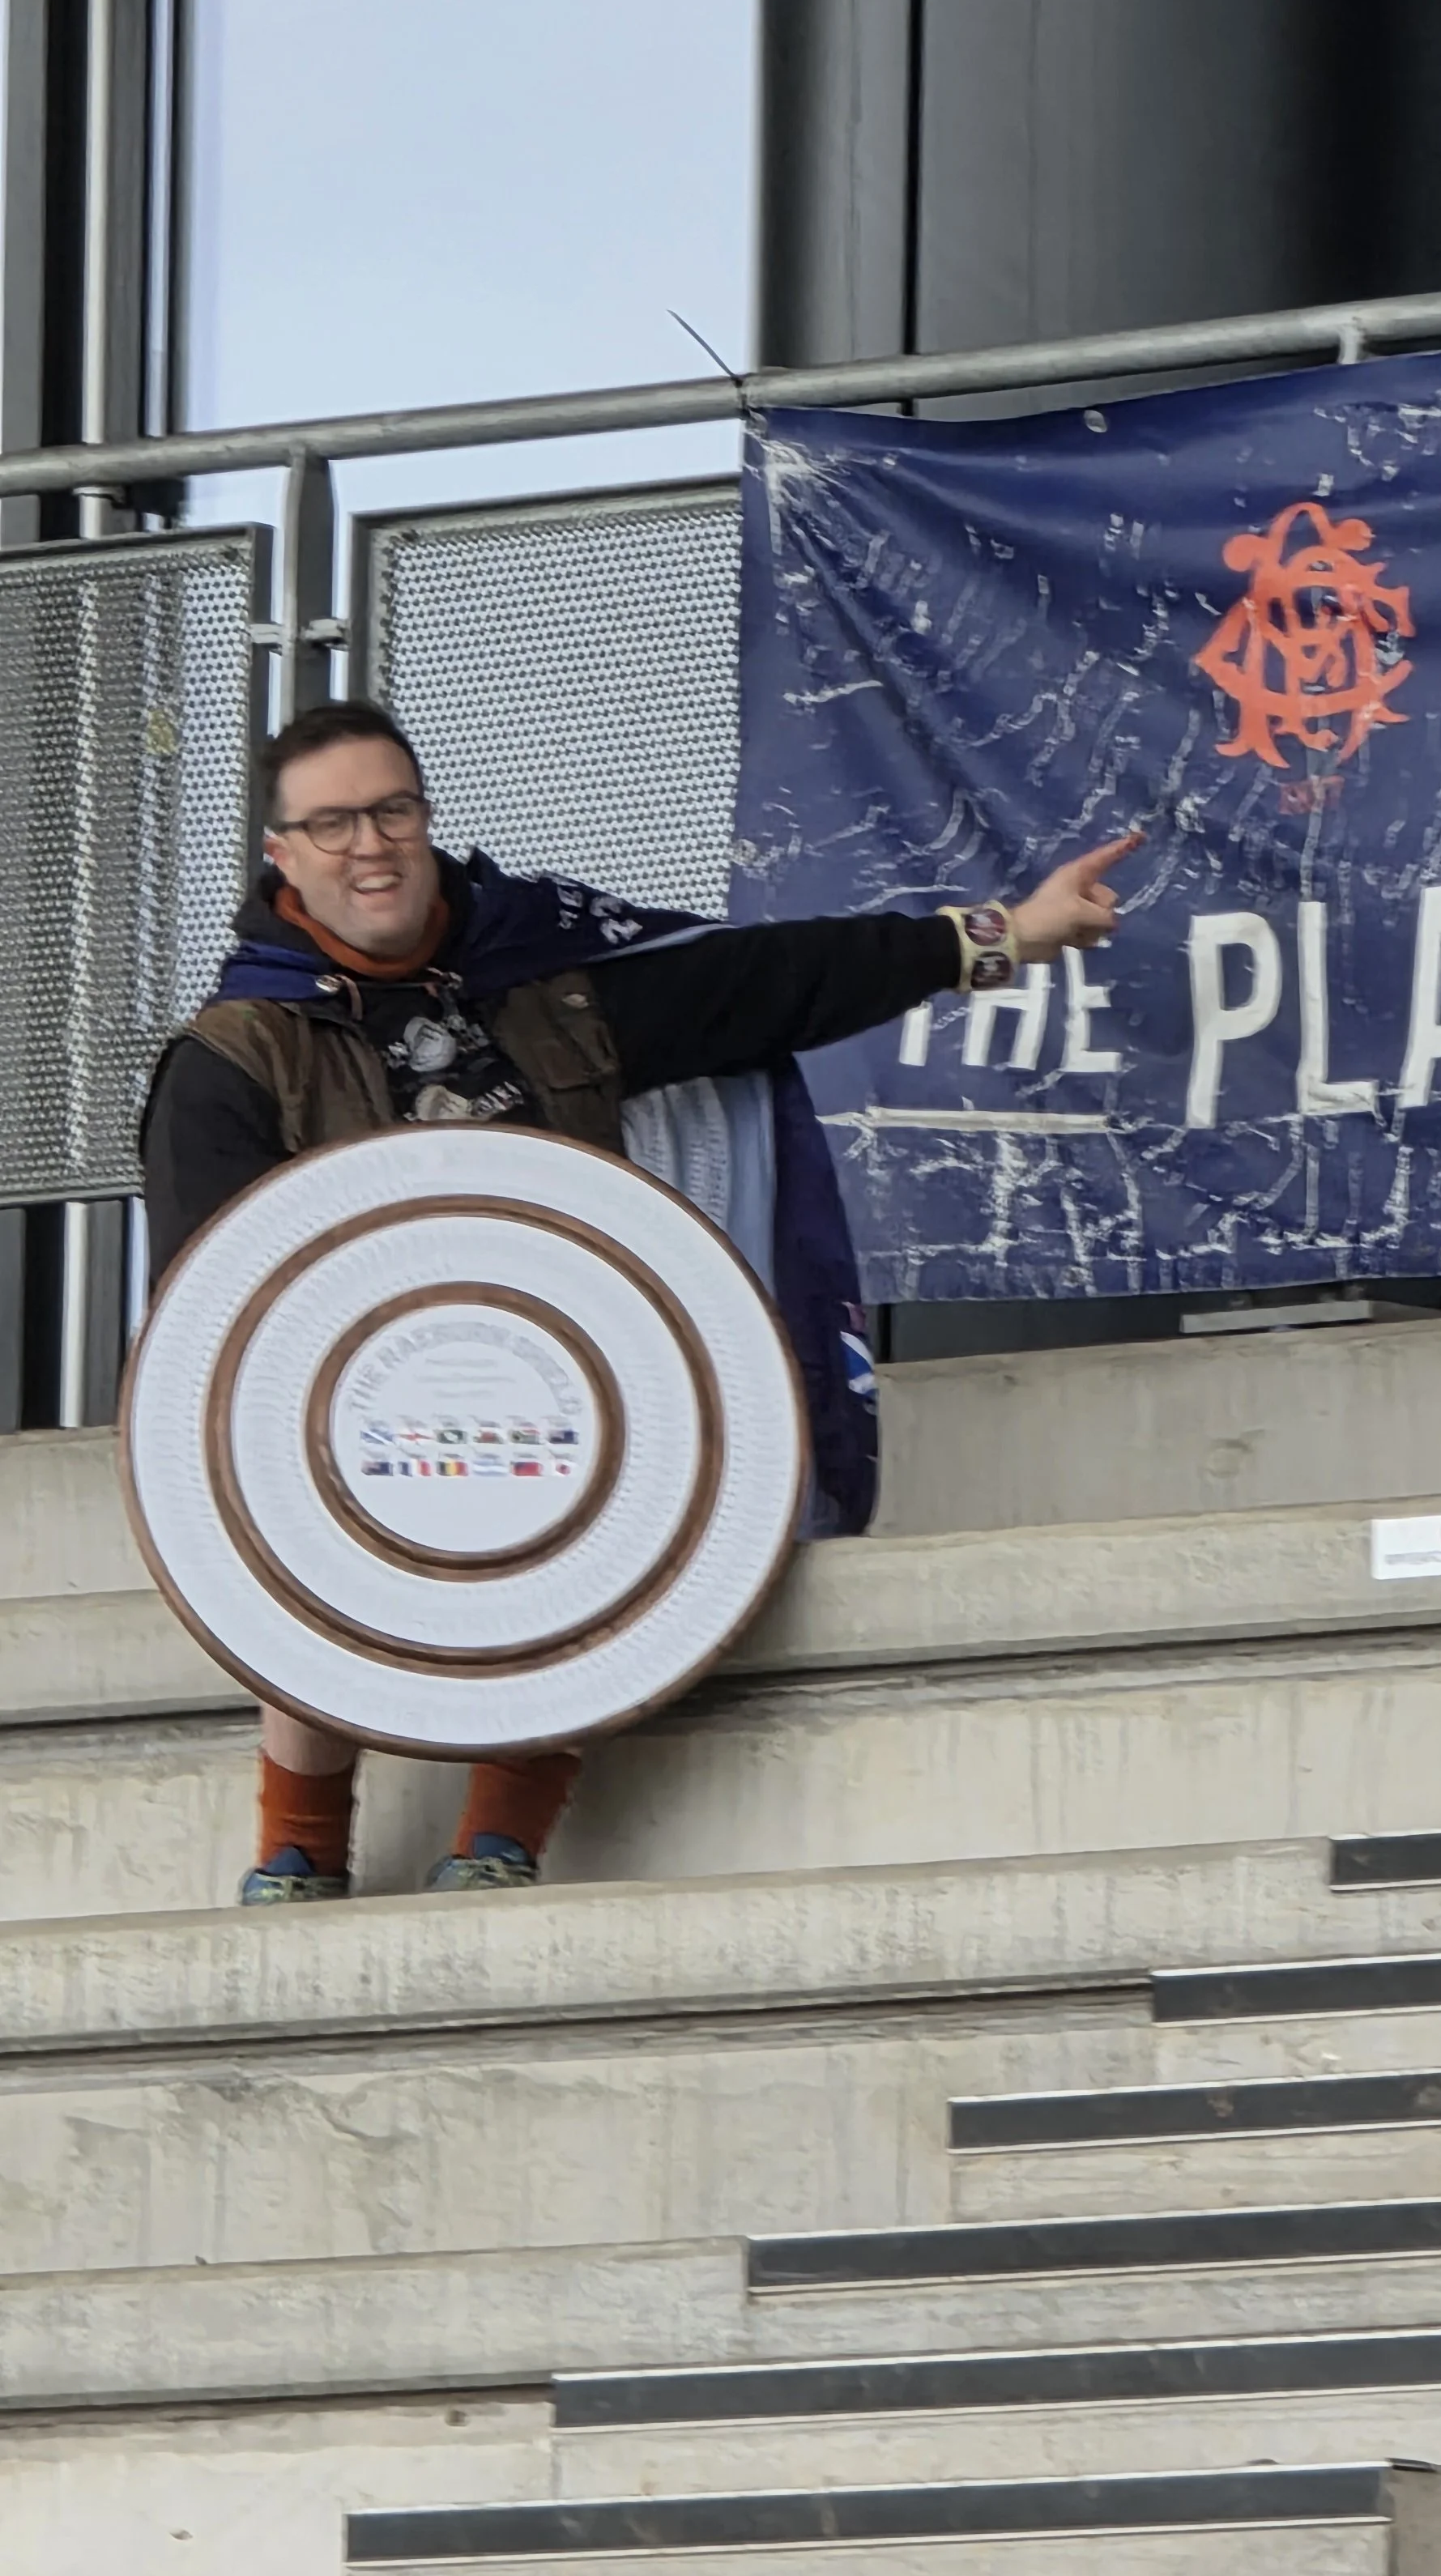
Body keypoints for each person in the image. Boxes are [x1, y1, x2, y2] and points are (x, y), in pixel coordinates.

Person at [140, 700, 1133, 1905]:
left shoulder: (547, 975)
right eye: (333, 823)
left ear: (426, 818)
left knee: (611, 1468)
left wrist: (1007, 937)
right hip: (343, 1412)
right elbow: (213, 1316)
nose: (371, 846)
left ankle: (501, 1837)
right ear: (282, 853)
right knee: (281, 1498)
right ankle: (299, 1850)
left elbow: (780, 979)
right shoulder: (234, 1057)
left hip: (560, 1389)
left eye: (392, 811)